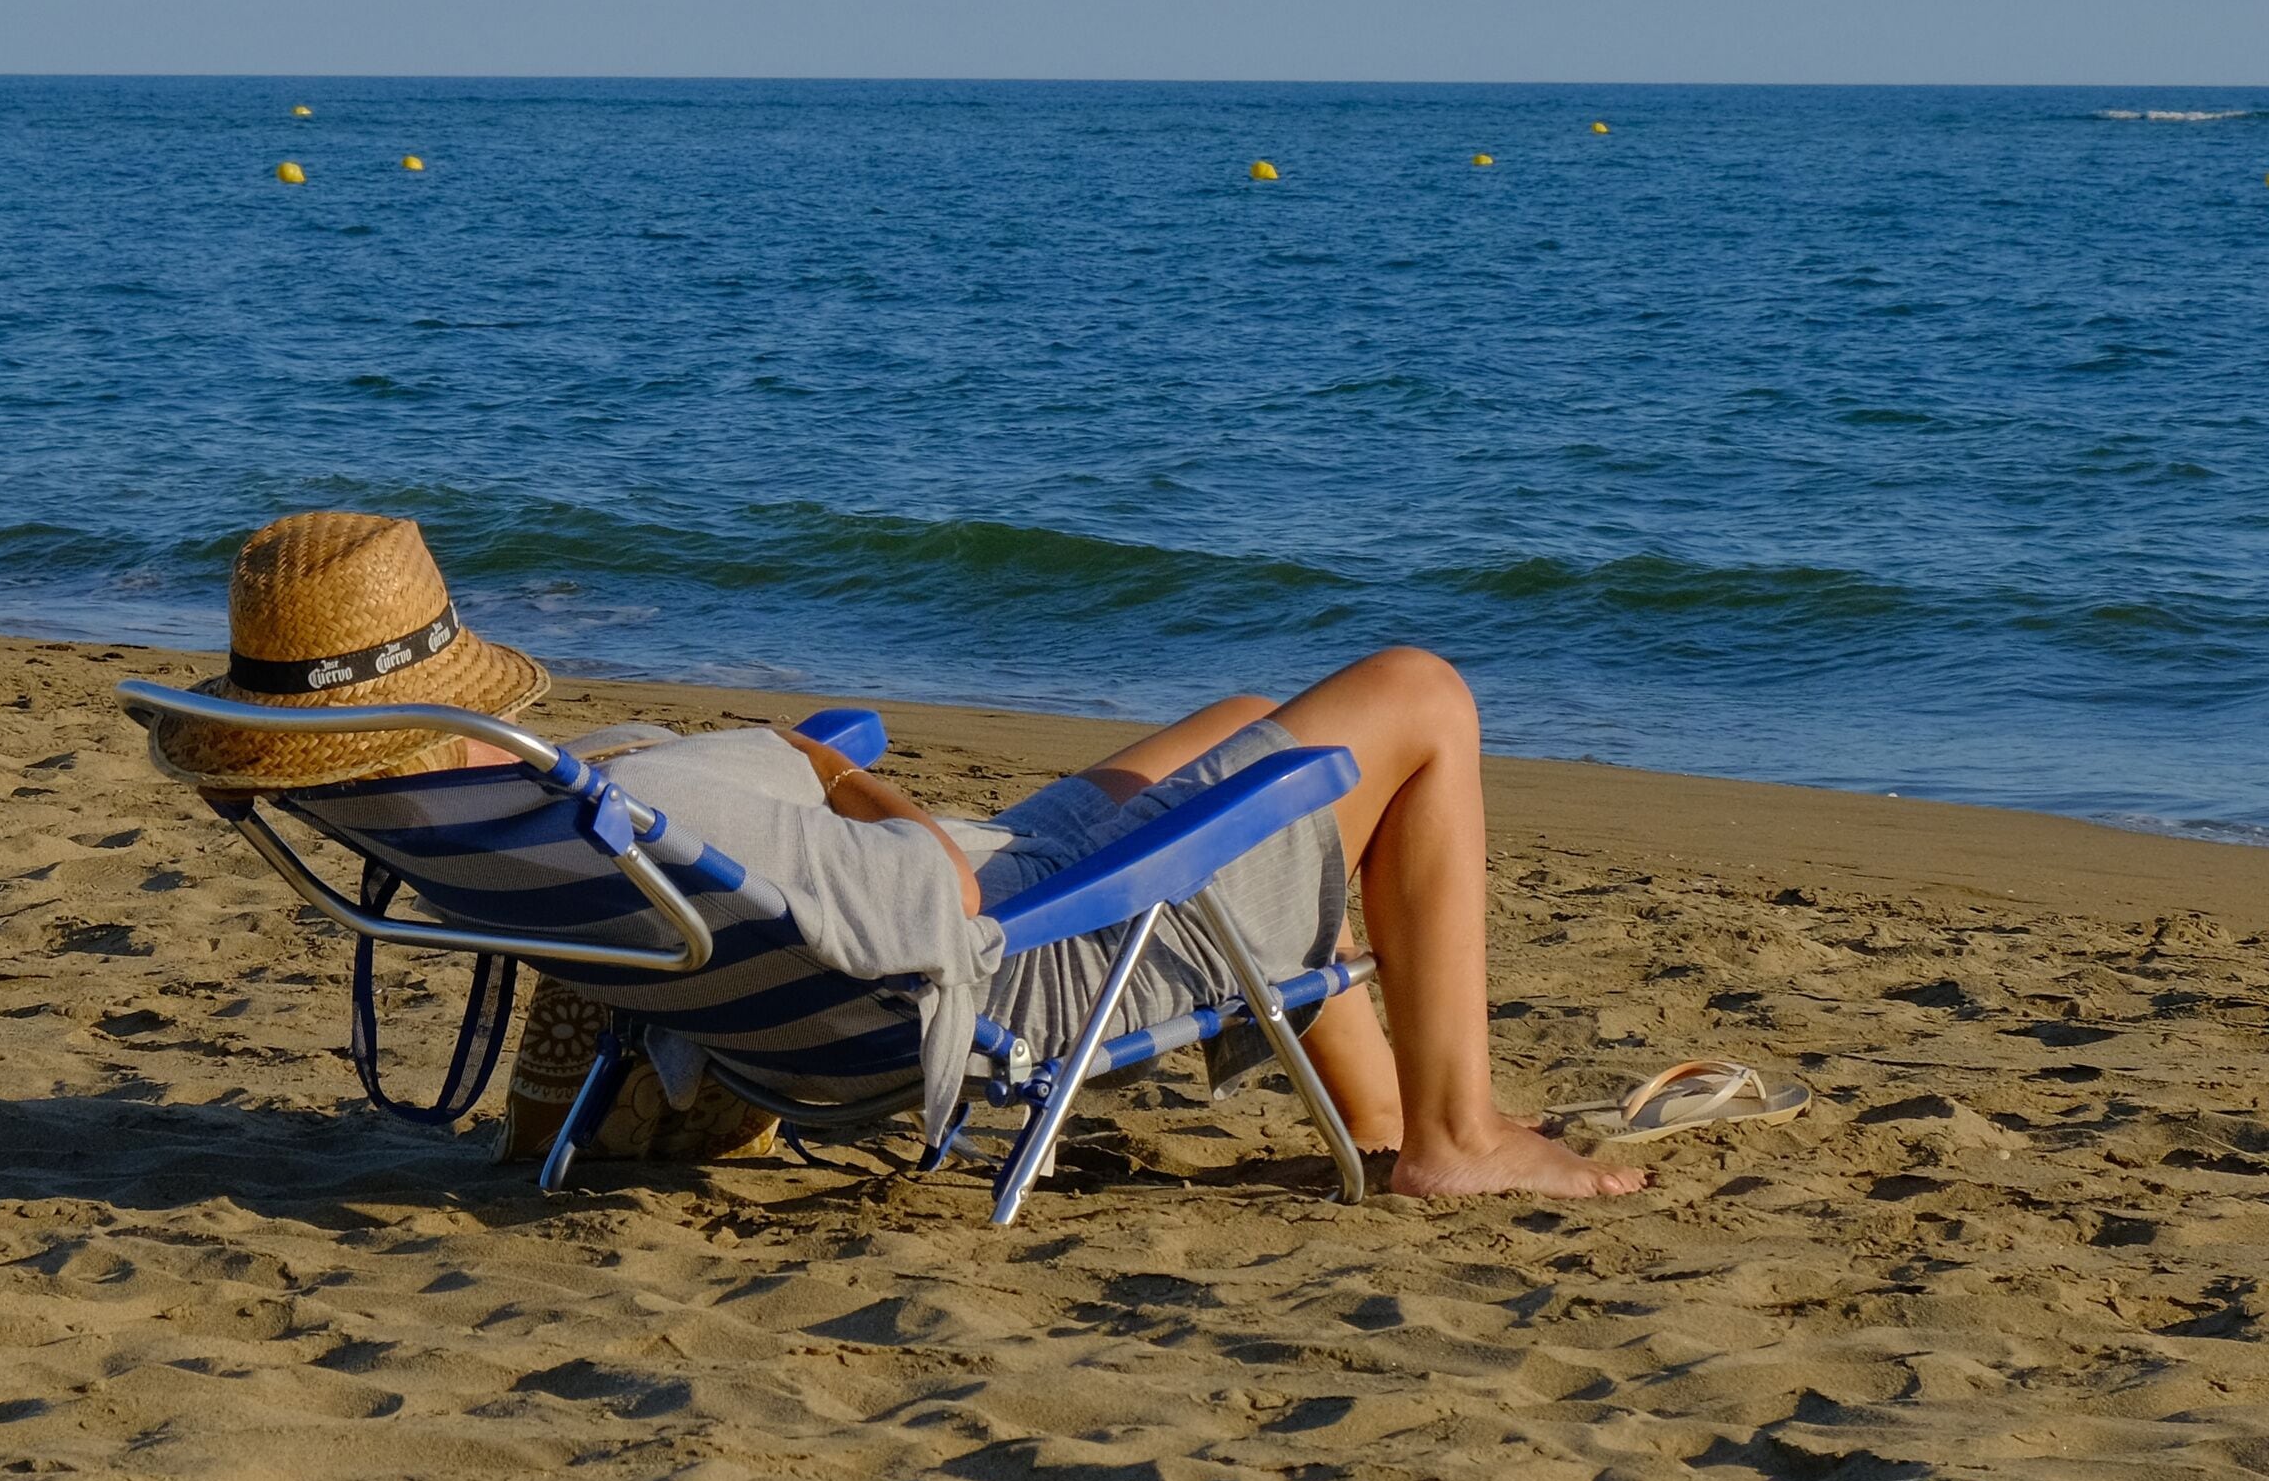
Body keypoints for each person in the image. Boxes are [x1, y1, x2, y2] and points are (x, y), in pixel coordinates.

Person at [147, 512, 1640, 1200]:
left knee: (1255, 721)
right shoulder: (630, 798)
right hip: (1024, 961)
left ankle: (1393, 1127)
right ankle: (1452, 1139)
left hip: (873, 960)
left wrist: (816, 774)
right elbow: (932, 892)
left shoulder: (510, 818)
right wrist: (849, 779)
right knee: (1422, 692)